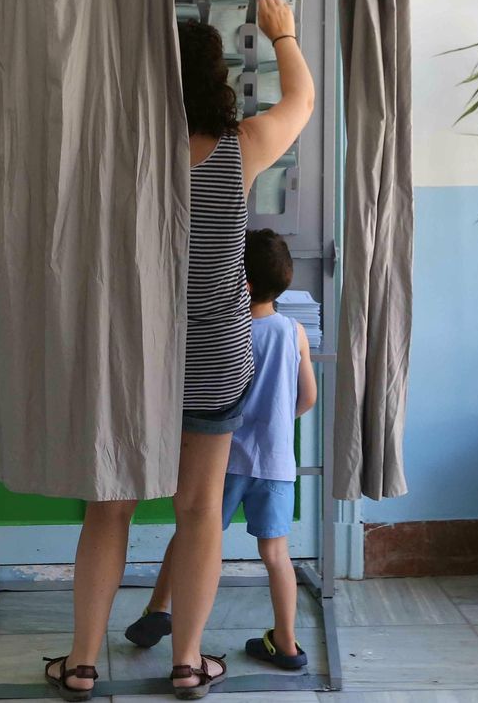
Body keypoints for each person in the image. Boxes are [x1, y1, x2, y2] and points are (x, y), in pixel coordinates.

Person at [44, 0, 315, 701]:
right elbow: (304, 97)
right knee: (198, 511)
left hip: (132, 354)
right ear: (215, 76)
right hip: (213, 358)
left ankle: (80, 664)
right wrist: (282, 31)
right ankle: (189, 663)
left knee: (111, 509)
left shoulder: (116, 149)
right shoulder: (242, 147)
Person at [123, 228, 318, 672]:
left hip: (221, 459)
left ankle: (159, 610)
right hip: (274, 463)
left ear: (236, 279)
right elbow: (306, 398)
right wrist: (277, 419)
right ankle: (286, 643)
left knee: (194, 533)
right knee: (276, 555)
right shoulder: (295, 332)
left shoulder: (227, 332)